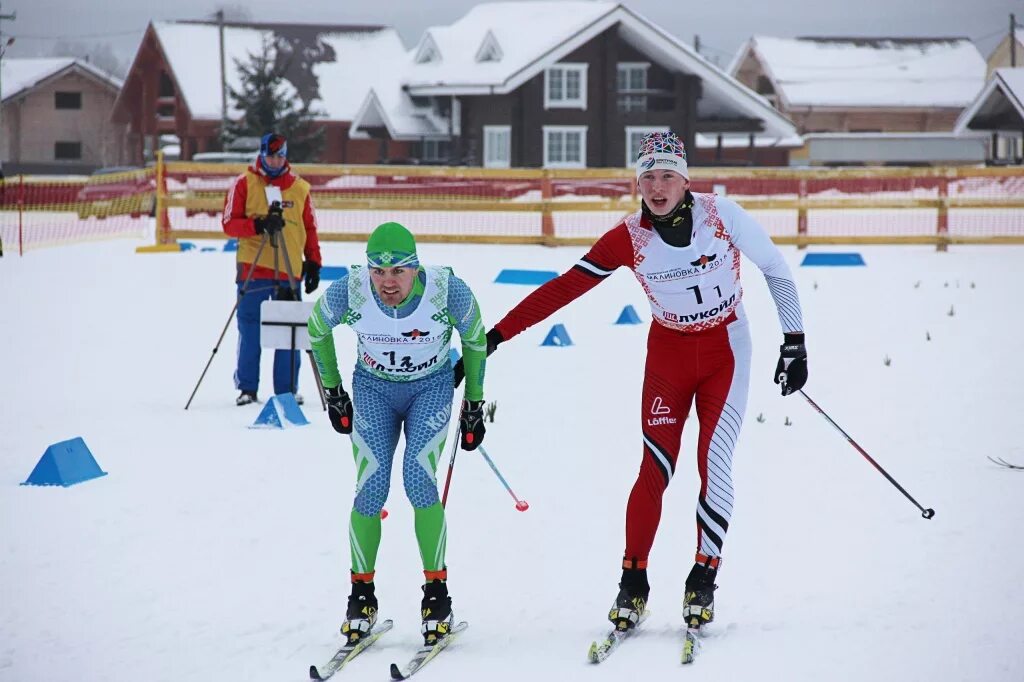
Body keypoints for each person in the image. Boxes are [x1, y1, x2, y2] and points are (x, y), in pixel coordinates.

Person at [456, 131, 807, 633]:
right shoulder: (629, 236)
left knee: (715, 461)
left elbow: (775, 268)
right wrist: (494, 337)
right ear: (636, 183)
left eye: (667, 176)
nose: (657, 187)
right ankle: (633, 580)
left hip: (728, 350)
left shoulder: (721, 215)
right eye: (648, 177)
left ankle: (703, 576)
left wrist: (795, 341)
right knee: (655, 468)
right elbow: (564, 288)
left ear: (686, 180)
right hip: (668, 353)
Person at [307, 221, 488, 646]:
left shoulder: (446, 290)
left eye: (398, 272)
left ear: (416, 267)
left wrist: (475, 402)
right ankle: (361, 595)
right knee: (370, 487)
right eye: (378, 272)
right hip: (373, 390)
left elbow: (475, 339)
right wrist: (333, 391)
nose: (388, 283)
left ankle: (436, 593)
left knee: (419, 479)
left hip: (431, 388)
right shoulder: (351, 290)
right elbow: (316, 329)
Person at [221, 132, 322, 406]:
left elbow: (310, 228)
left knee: (288, 329)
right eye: (270, 156)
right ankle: (247, 387)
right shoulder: (244, 183)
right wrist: (258, 225)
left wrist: (313, 262)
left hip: (290, 270)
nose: (274, 161)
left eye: (279, 156)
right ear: (261, 154)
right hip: (254, 268)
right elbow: (229, 223)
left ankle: (287, 389)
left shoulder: (300, 188)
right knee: (250, 327)